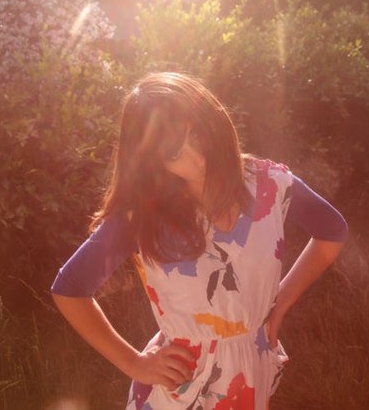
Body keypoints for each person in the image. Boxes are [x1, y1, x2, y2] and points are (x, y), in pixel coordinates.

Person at [51, 72, 348, 410]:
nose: (197, 156)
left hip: (252, 372)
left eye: (196, 133)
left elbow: (332, 231)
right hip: (183, 388)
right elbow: (70, 289)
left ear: (213, 119)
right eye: (174, 151)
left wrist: (279, 304)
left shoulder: (270, 184)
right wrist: (134, 363)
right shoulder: (143, 215)